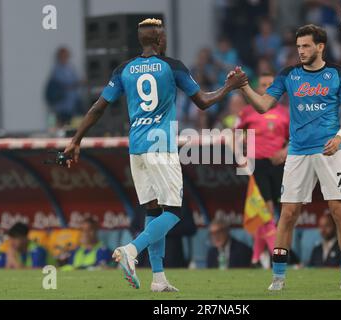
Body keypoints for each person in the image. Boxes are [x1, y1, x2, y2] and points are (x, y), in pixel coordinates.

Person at [63, 18, 247, 292]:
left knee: (153, 210)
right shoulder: (172, 66)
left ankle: (158, 278)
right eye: (164, 36)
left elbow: (97, 108)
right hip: (161, 147)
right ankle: (131, 249)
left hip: (136, 149)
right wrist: (229, 87)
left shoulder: (123, 69)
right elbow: (203, 102)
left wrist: (75, 140)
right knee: (173, 213)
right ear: (160, 40)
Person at [236, 24, 341, 290]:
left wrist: (339, 137)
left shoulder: (338, 74)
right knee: (288, 214)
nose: (301, 51)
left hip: (330, 150)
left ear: (320, 46)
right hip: (298, 152)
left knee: (339, 211)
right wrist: (244, 87)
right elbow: (263, 105)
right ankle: (278, 277)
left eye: (306, 46)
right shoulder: (288, 75)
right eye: (298, 46)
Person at [235, 72, 289, 267]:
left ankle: (256, 258)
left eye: (270, 84)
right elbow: (235, 135)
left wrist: (285, 151)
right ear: (257, 88)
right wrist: (240, 157)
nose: (267, 87)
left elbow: (296, 137)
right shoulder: (248, 111)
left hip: (279, 164)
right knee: (266, 211)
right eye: (263, 84)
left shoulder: (286, 112)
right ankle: (277, 258)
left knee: (277, 212)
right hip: (258, 164)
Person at [45, 47, 83, 130]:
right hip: (61, 104)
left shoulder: (70, 67)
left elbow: (76, 81)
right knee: (60, 123)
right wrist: (73, 85)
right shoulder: (57, 69)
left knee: (74, 123)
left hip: (73, 103)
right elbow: (62, 83)